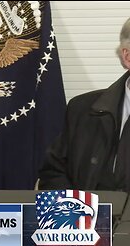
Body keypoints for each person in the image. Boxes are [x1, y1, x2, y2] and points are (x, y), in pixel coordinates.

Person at [39, 18, 130, 191]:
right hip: (87, 216)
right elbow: (53, 174)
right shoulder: (81, 110)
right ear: (127, 57)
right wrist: (77, 214)